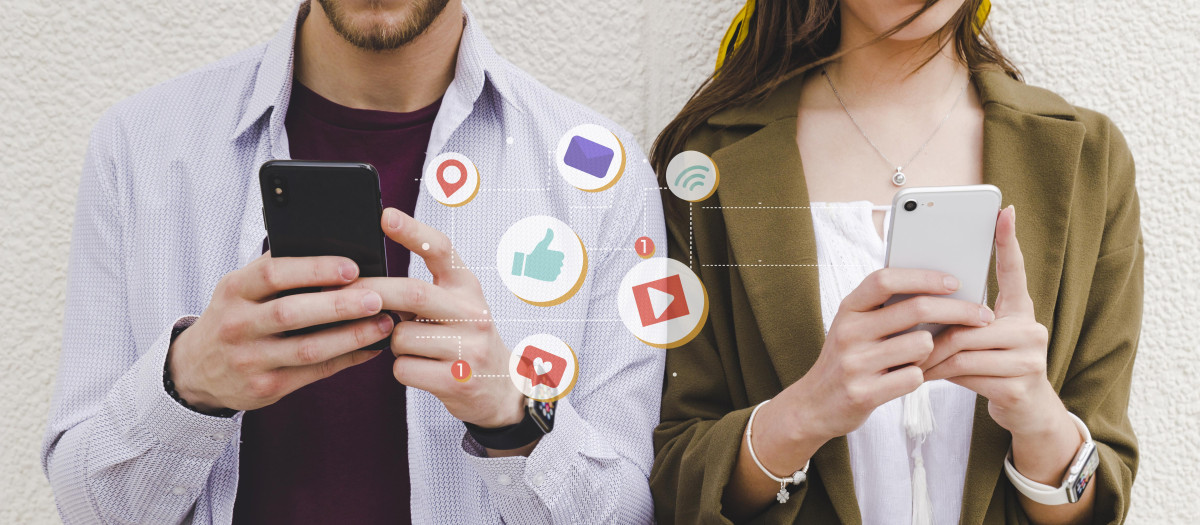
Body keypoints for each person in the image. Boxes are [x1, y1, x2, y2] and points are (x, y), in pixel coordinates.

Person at [42, 1, 664, 523]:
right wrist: (188, 384)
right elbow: (87, 506)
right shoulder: (140, 146)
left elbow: (628, 510)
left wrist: (513, 416)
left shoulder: (599, 175)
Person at [649, 1, 1139, 524]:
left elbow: (1101, 499)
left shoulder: (1087, 157)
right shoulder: (705, 167)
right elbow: (675, 484)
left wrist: (1039, 420)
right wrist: (806, 412)